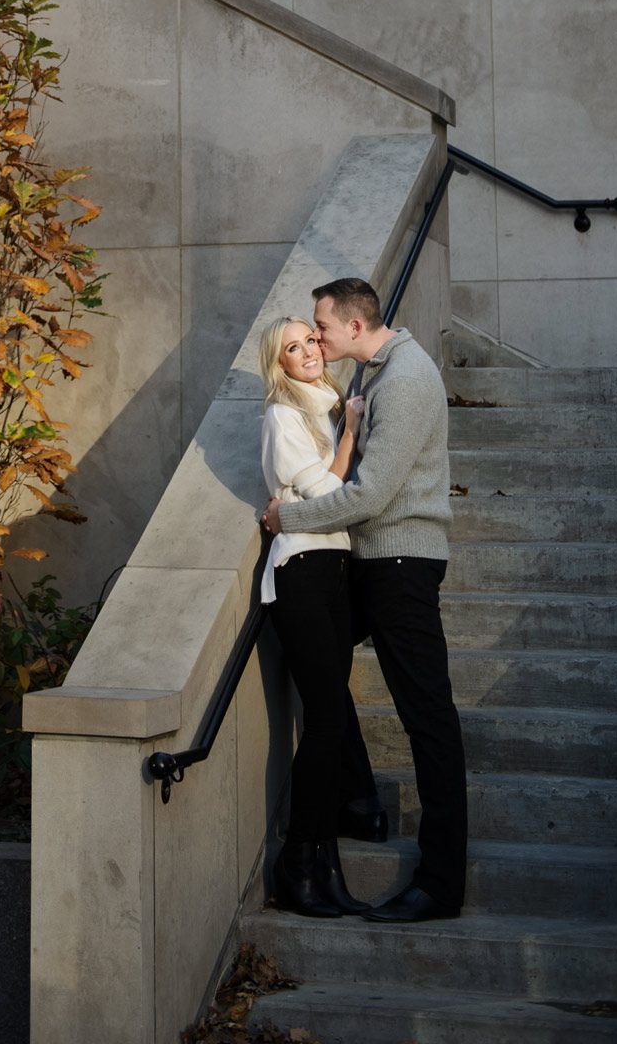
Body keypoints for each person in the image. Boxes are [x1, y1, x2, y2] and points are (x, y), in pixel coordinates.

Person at [262, 277, 468, 924]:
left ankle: (439, 882)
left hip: (401, 565)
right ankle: (349, 802)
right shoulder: (369, 377)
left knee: (426, 715)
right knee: (323, 684)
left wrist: (286, 520)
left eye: (321, 326)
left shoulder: (404, 377)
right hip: (370, 563)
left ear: (354, 326)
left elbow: (371, 494)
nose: (316, 338)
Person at [259, 315, 371, 919]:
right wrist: (350, 433)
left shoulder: (328, 403)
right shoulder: (284, 415)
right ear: (278, 364)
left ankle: (324, 866)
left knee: (330, 721)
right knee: (326, 722)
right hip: (299, 572)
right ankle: (296, 861)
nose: (307, 352)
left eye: (310, 341)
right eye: (292, 348)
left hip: (333, 570)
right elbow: (326, 496)